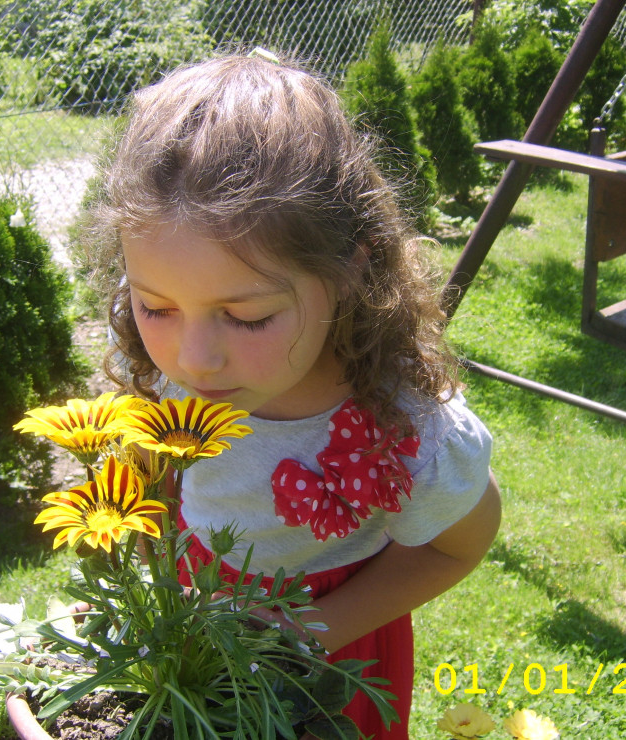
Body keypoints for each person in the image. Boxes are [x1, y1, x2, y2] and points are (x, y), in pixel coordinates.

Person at [86, 51, 502, 739]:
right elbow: (146, 486)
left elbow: (454, 546)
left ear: (348, 267)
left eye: (246, 316)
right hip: (188, 626)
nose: (192, 360)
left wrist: (305, 633)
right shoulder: (171, 377)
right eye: (153, 307)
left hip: (326, 660)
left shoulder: (411, 434)